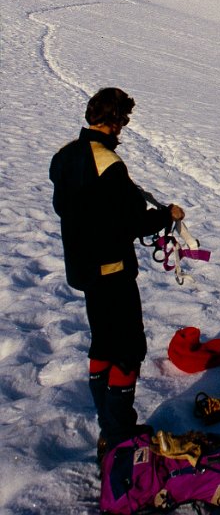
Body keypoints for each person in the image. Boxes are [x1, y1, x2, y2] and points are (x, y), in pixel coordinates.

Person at [49, 87, 185, 458]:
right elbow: (132, 222)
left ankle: (109, 426)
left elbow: (68, 206)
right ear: (114, 121)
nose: (123, 128)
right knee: (127, 348)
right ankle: (119, 430)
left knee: (103, 343)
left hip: (84, 268)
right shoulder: (109, 164)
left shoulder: (65, 156)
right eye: (123, 120)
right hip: (113, 269)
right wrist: (166, 216)